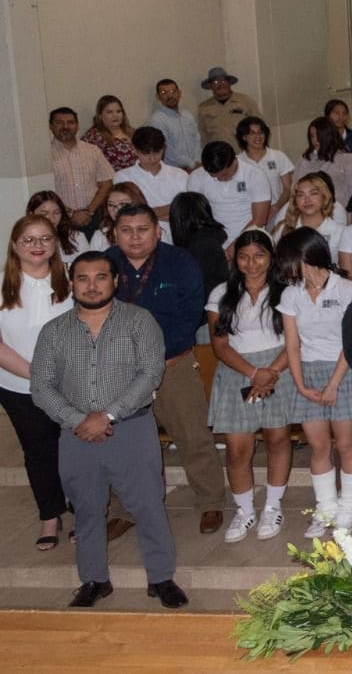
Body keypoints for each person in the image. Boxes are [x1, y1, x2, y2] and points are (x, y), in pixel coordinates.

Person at [32, 252, 188, 609]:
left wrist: (109, 415)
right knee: (86, 511)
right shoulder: (53, 331)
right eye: (83, 278)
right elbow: (41, 386)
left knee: (149, 506)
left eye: (100, 277)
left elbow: (150, 374)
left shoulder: (139, 321)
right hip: (76, 436)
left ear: (115, 281)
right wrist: (77, 420)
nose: (91, 285)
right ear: (71, 283)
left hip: (131, 430)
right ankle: (94, 580)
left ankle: (161, 578)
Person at [105, 203, 228, 535]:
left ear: (158, 231)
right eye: (126, 230)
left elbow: (190, 316)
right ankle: (125, 508)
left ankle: (211, 501)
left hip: (172, 365)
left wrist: (152, 358)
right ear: (115, 233)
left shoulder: (180, 262)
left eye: (142, 229)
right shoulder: (104, 264)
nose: (134, 237)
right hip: (122, 372)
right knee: (126, 443)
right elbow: (92, 313)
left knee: (193, 435)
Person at [205, 230, 292, 543]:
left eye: (259, 255)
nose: (251, 263)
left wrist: (270, 372)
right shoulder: (220, 293)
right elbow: (220, 345)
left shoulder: (287, 292)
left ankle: (272, 505)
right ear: (234, 258)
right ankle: (244, 511)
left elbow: (297, 339)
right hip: (238, 371)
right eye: (244, 256)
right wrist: (254, 373)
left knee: (277, 438)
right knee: (237, 446)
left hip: (278, 369)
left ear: (271, 257)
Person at [278, 227, 352, 536]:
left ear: (306, 256)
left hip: (343, 369)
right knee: (318, 446)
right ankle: (326, 507)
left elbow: (351, 341)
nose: (286, 268)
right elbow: (292, 345)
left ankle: (350, 505)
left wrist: (333, 384)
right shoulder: (291, 293)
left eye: (290, 260)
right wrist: (300, 385)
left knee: (345, 443)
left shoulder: (344, 288)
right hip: (307, 371)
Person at [0, 215, 74, 551]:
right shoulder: (2, 286)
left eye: (45, 238)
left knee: (75, 451)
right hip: (18, 386)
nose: (37, 245)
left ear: (55, 244)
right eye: (28, 239)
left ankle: (81, 508)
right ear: (14, 245)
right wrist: (37, 374)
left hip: (71, 385)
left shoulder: (71, 283)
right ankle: (50, 514)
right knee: (39, 453)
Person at [187, 142, 272, 246]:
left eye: (224, 174)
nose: (220, 179)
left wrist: (235, 246)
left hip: (249, 237)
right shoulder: (196, 177)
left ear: (235, 161)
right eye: (214, 176)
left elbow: (259, 220)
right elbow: (196, 216)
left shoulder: (255, 176)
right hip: (214, 238)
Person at [48, 107, 114, 235]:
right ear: (51, 126)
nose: (65, 126)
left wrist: (89, 211)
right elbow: (47, 193)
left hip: (94, 217)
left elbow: (106, 184)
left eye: (70, 122)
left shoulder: (92, 150)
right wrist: (71, 214)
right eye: (59, 122)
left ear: (77, 126)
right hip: (61, 220)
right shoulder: (45, 155)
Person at [115, 128, 190, 233]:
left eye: (157, 152)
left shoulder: (179, 174)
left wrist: (151, 212)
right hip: (141, 235)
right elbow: (129, 214)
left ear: (163, 149)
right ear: (135, 150)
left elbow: (189, 209)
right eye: (146, 154)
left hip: (179, 234)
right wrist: (173, 208)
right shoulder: (123, 177)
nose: (153, 158)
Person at [236, 117, 294, 226]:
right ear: (244, 137)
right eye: (252, 133)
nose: (258, 137)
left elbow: (288, 188)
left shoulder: (278, 156)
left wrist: (275, 208)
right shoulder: (238, 162)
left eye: (261, 132)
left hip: (278, 213)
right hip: (248, 217)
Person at [196, 67, 263, 148]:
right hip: (219, 156)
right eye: (216, 82)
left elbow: (261, 127)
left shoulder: (245, 102)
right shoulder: (203, 108)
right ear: (210, 86)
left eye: (223, 80)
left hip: (244, 155)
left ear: (229, 83)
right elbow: (203, 136)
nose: (221, 84)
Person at [147, 79, 202, 171]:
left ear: (179, 93)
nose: (170, 95)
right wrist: (191, 164)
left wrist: (197, 162)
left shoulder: (187, 115)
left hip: (197, 167)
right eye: (164, 92)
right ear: (158, 97)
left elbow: (197, 140)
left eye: (173, 91)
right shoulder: (157, 119)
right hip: (174, 170)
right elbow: (166, 149)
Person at [82, 95, 137, 172]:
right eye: (109, 112)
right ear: (100, 116)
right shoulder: (93, 137)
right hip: (110, 181)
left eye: (118, 111)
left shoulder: (132, 132)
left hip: (136, 179)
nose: (115, 115)